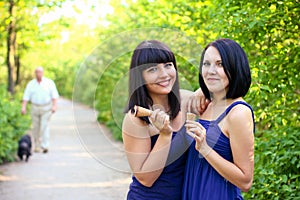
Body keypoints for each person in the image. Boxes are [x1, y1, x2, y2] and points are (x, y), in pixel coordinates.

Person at [122, 40, 207, 200]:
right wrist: (165, 135)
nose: (164, 74)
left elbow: (227, 97)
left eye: (168, 65)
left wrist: (204, 89)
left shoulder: (187, 99)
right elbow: (145, 179)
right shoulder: (136, 119)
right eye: (153, 69)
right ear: (140, 76)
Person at [183, 38, 255, 199]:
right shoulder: (206, 104)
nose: (210, 71)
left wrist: (205, 149)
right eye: (206, 64)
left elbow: (245, 181)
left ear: (235, 67)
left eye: (220, 64)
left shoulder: (238, 113)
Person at [22, 66, 59, 153]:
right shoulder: (31, 84)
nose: (38, 74)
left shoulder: (49, 83)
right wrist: (23, 107)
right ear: (35, 73)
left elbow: (54, 96)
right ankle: (37, 145)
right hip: (34, 107)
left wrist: (54, 106)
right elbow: (26, 97)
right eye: (37, 72)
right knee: (35, 127)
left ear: (43, 73)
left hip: (46, 107)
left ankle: (45, 145)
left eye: (40, 72)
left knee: (44, 126)